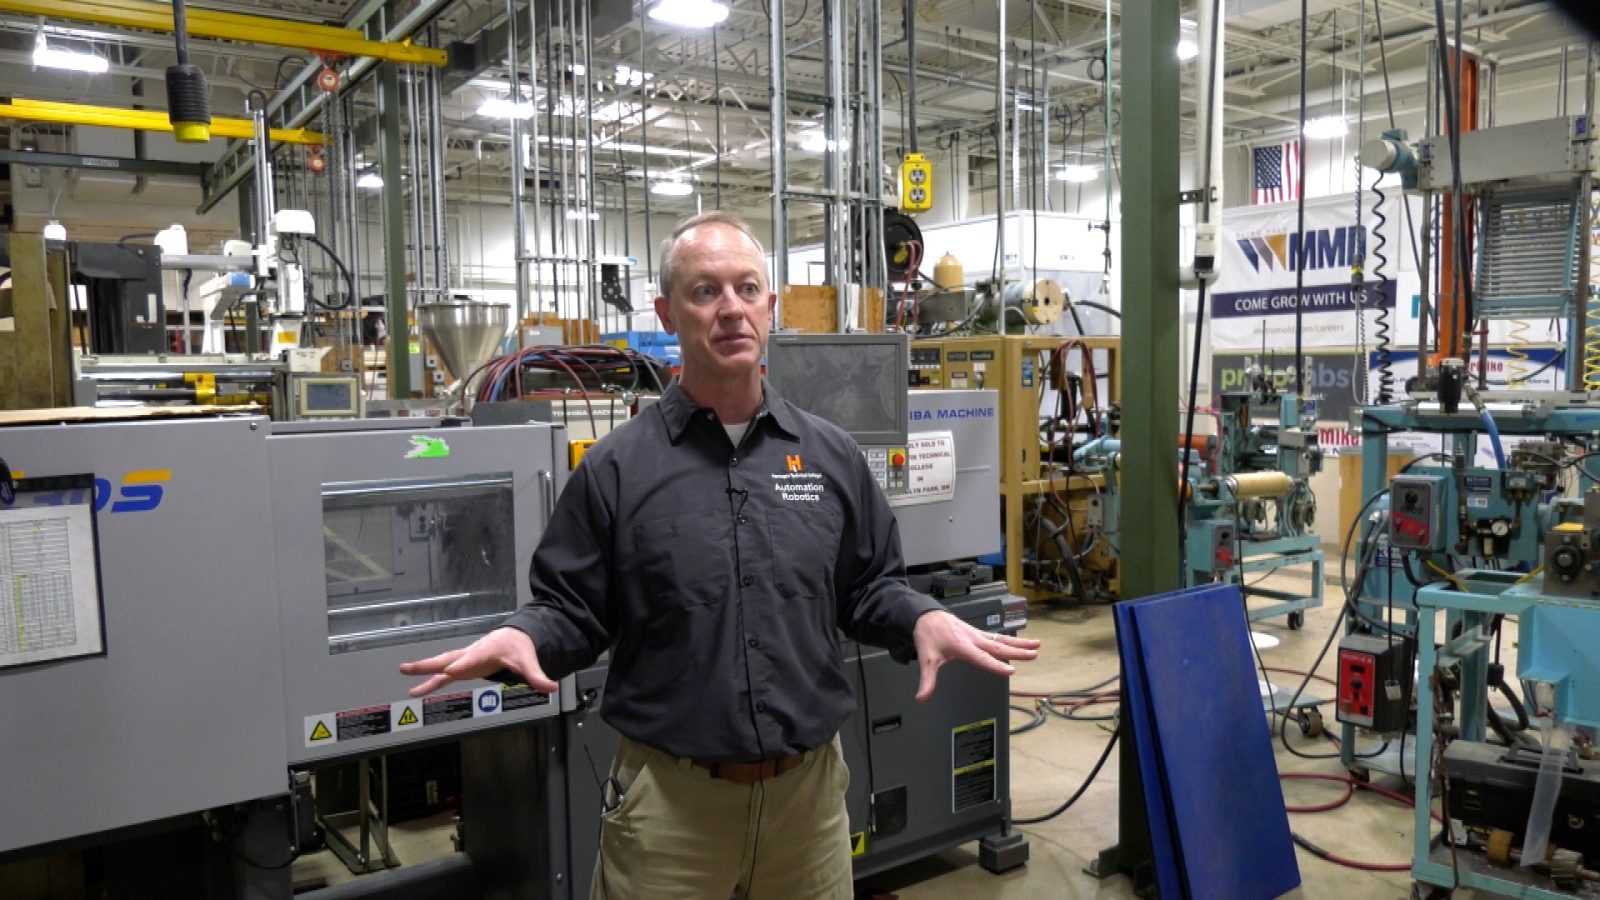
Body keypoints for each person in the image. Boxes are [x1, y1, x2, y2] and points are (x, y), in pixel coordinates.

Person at [401, 211, 1040, 899]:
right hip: (670, 811)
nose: (731, 307)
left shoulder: (829, 456)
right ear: (667, 313)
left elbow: (866, 586)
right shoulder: (617, 470)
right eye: (706, 291)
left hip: (808, 806)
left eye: (747, 288)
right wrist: (524, 635)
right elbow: (572, 608)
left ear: (770, 306)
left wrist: (919, 617)